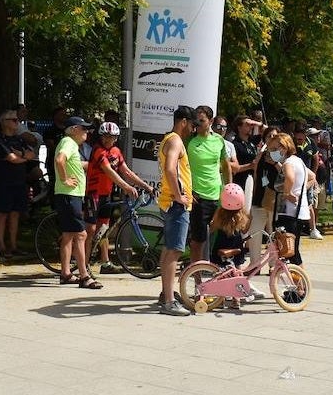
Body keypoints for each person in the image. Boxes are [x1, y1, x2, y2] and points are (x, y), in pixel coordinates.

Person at [85, 122, 149, 274]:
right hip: (93, 194)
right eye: (106, 137)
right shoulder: (98, 150)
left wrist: (146, 186)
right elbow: (110, 172)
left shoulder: (116, 151)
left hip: (106, 194)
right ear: (101, 137)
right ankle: (84, 266)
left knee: (103, 229)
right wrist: (127, 187)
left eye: (112, 137)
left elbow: (126, 172)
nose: (109, 140)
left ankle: (105, 263)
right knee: (91, 230)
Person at [53, 117, 100, 289]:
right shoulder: (69, 142)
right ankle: (84, 276)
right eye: (83, 128)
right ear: (74, 129)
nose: (86, 132)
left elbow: (72, 162)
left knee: (68, 235)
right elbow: (60, 160)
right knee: (81, 235)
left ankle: (66, 273)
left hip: (69, 195)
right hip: (69, 194)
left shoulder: (69, 143)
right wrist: (65, 179)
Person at [157, 106, 195, 316]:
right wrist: (179, 196)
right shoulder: (175, 141)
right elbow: (170, 168)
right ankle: (169, 302)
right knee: (174, 251)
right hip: (176, 205)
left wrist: (186, 193)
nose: (192, 129)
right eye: (192, 125)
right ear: (183, 122)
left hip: (173, 203)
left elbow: (177, 172)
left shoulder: (168, 139)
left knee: (168, 249)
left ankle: (166, 294)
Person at [187, 106, 231, 261]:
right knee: (198, 242)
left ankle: (208, 266)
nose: (197, 124)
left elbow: (226, 166)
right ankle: (196, 273)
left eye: (202, 120)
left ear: (211, 121)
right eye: (196, 120)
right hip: (198, 196)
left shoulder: (219, 140)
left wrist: (228, 189)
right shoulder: (189, 140)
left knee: (218, 234)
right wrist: (188, 190)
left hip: (217, 196)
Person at [0, 111, 34, 258]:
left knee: (15, 214)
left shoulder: (19, 139)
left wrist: (21, 155)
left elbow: (31, 154)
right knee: (2, 214)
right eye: (14, 120)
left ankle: (13, 246)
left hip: (19, 181)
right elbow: (12, 158)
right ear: (4, 122)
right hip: (3, 182)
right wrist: (23, 156)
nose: (17, 122)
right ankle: (1, 246)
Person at [267, 133, 312, 264]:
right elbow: (312, 176)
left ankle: (298, 276)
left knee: (290, 250)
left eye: (274, 149)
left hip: (290, 212)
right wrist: (301, 191)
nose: (273, 152)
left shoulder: (288, 163)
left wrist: (287, 193)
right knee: (293, 250)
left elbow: (290, 178)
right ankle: (297, 275)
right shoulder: (298, 161)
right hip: (298, 210)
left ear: (284, 148)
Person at [208, 183, 252, 308]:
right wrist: (250, 218)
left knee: (220, 272)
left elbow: (212, 227)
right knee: (237, 270)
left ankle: (220, 299)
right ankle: (236, 299)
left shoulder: (220, 213)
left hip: (221, 246)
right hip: (236, 246)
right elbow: (244, 230)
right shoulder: (241, 214)